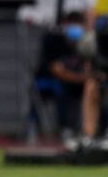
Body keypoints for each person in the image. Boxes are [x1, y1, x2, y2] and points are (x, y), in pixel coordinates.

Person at [35, 12, 99, 140]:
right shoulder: (53, 40)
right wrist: (81, 78)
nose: (75, 28)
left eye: (78, 24)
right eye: (71, 24)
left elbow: (91, 68)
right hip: (55, 80)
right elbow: (57, 70)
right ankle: (66, 129)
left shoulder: (87, 42)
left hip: (80, 81)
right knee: (63, 89)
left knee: (95, 89)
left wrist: (88, 78)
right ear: (64, 25)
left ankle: (93, 131)